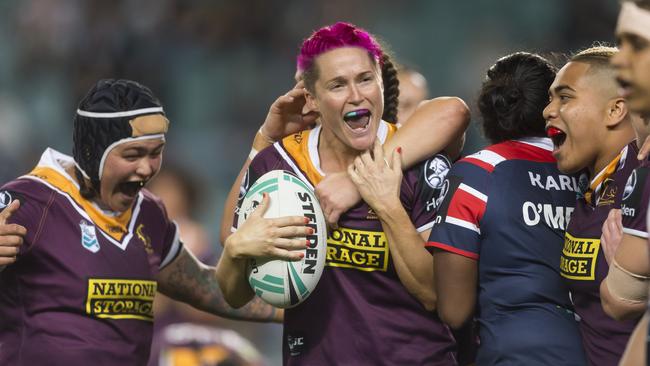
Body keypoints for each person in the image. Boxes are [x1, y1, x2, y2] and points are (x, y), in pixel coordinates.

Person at [0, 79, 293, 365]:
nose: (146, 168)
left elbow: (208, 288)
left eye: (155, 153)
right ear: (90, 153)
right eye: (133, 154)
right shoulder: (28, 203)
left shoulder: (150, 214)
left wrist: (298, 308)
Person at [217, 22, 461, 365]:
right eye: (337, 85)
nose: (356, 95)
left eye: (365, 79)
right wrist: (235, 250)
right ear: (311, 99)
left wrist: (386, 204)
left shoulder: (418, 162)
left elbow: (436, 294)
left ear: (381, 82)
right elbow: (235, 294)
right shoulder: (280, 165)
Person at [427, 52, 587, 365]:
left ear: (489, 107)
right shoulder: (589, 173)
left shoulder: (475, 174)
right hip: (595, 349)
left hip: (513, 352)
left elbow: (454, 311)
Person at [543, 46, 639, 365]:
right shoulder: (592, 185)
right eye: (550, 98)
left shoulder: (642, 179)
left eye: (565, 97)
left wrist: (634, 281)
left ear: (615, 110)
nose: (548, 110)